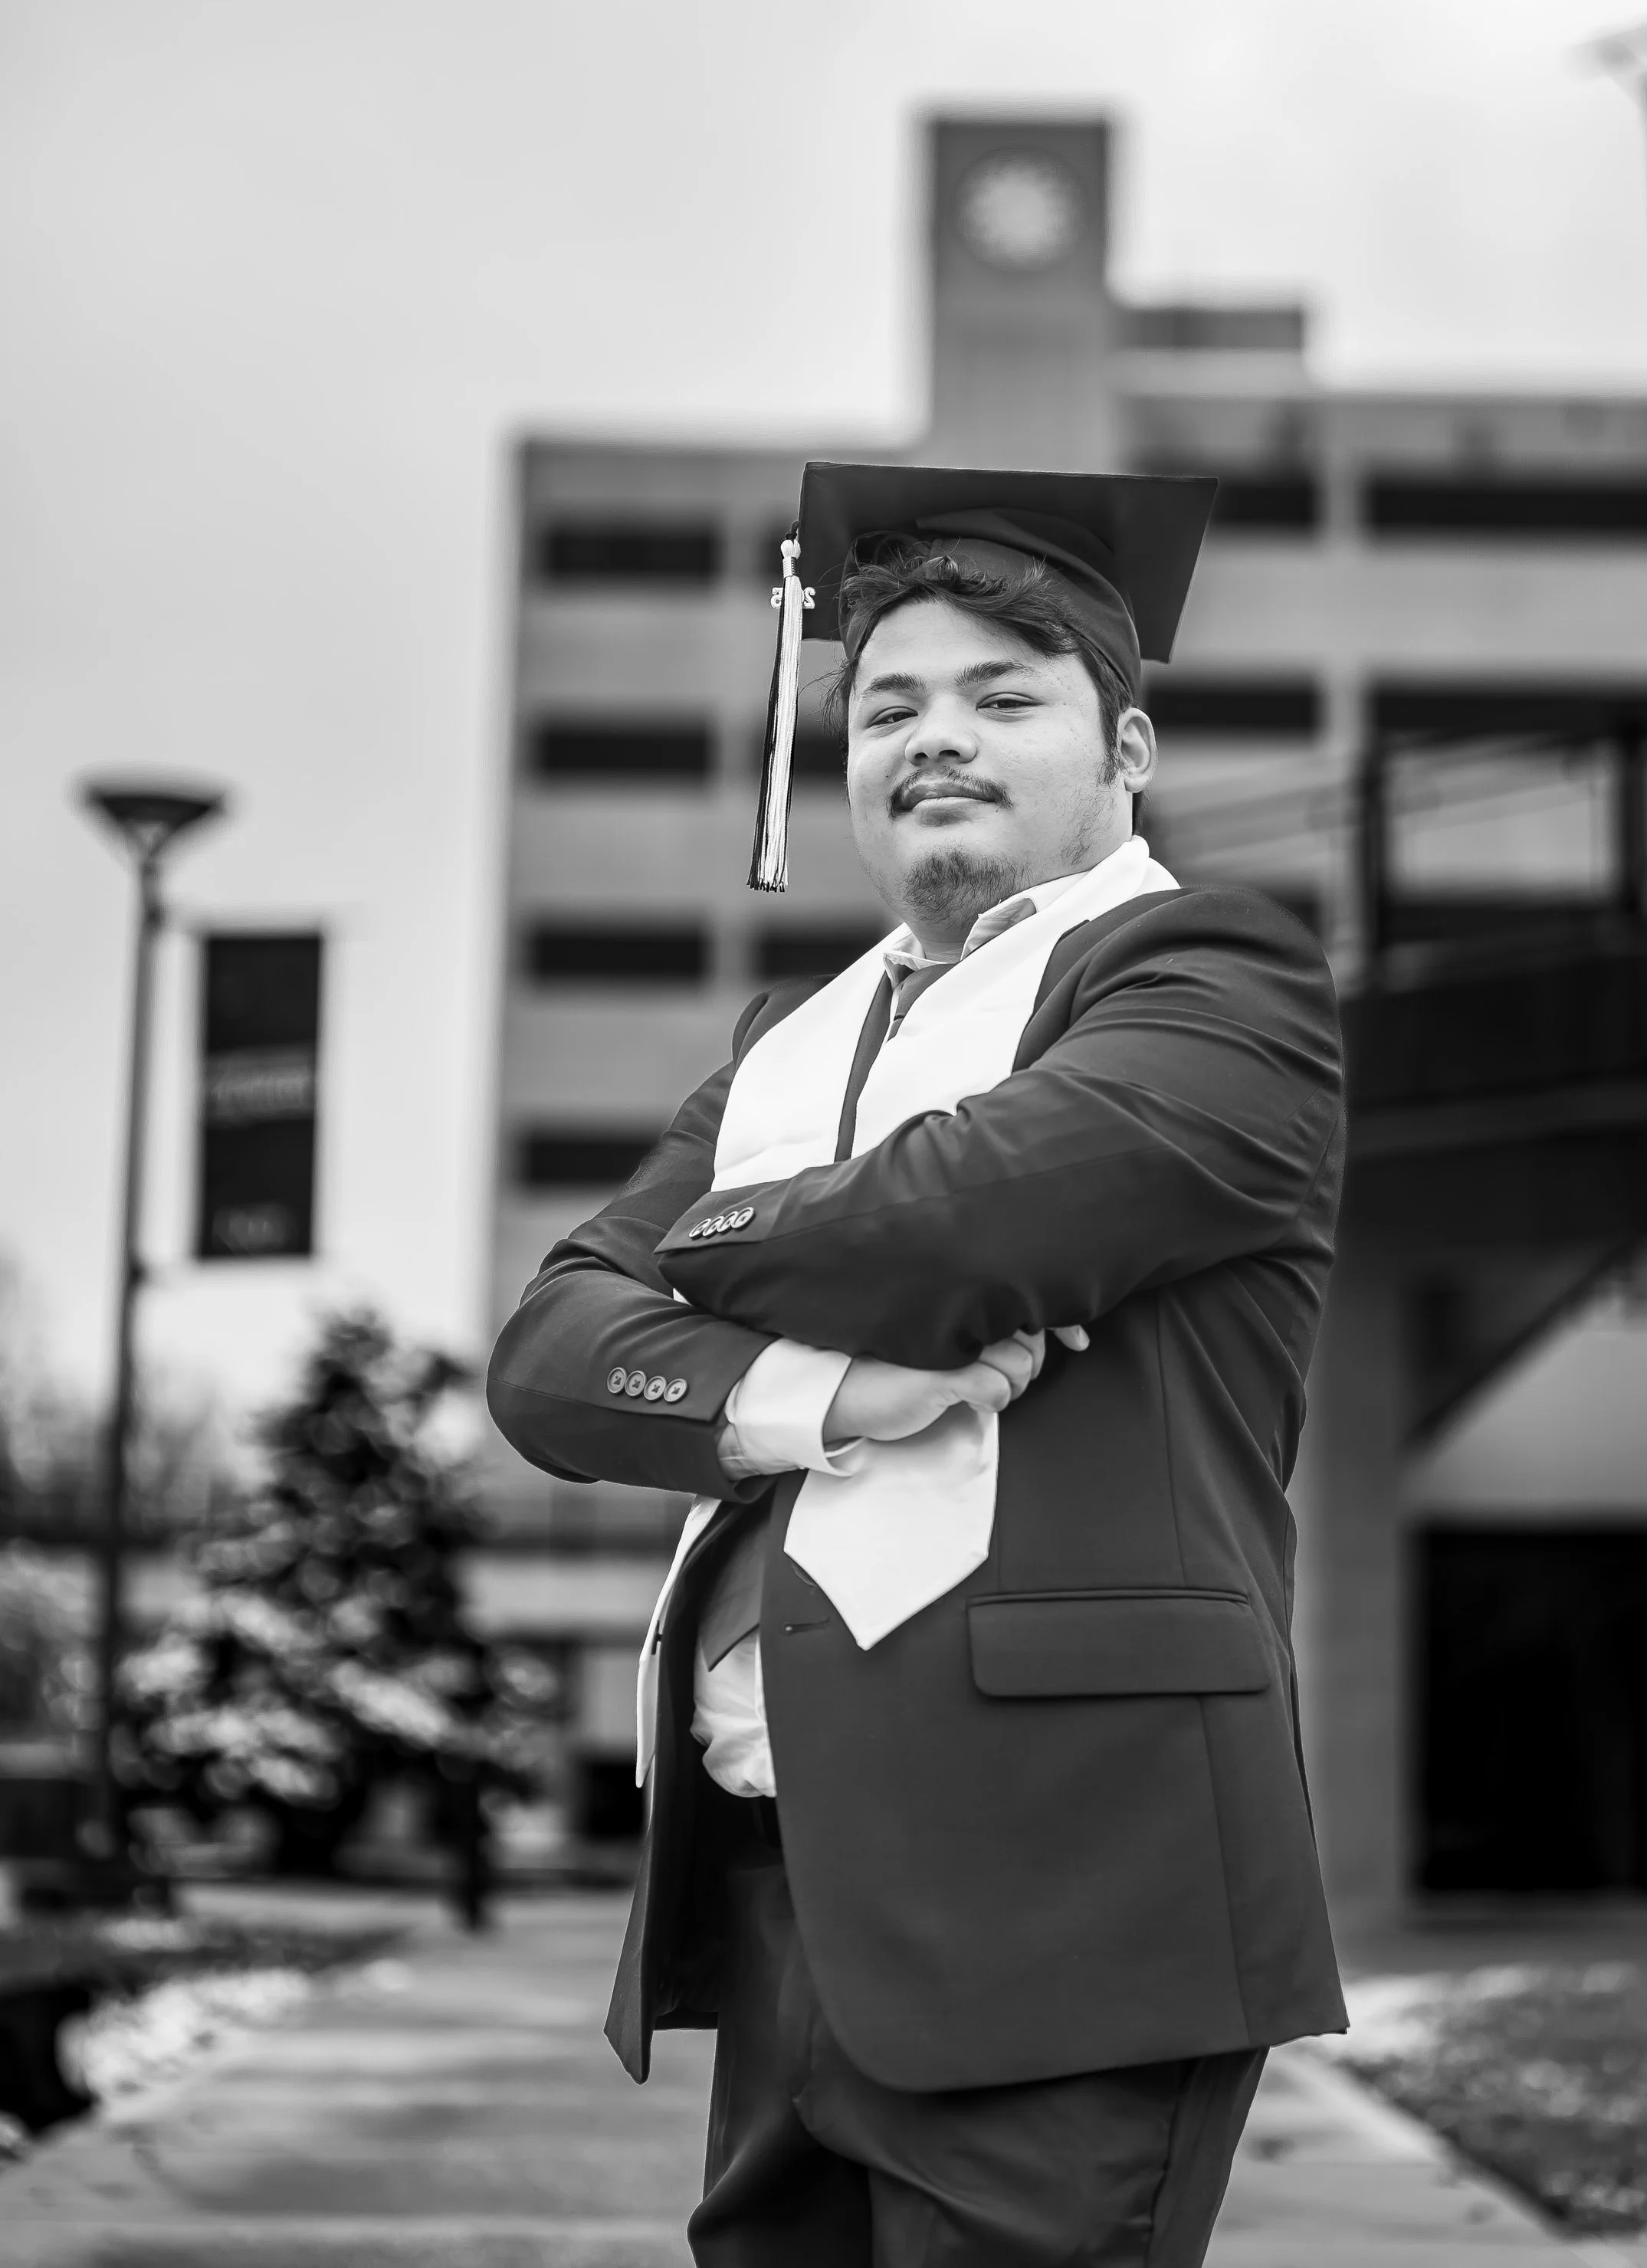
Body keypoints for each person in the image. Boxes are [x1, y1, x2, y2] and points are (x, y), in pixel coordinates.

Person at [487, 462, 1348, 2266]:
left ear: (1123, 749)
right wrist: (824, 1391)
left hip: (1072, 1884)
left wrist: (714, 1242)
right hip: (787, 1882)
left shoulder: (1215, 974)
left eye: (1000, 697)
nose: (931, 738)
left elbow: (953, 1229)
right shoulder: (785, 1045)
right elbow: (552, 1356)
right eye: (888, 703)